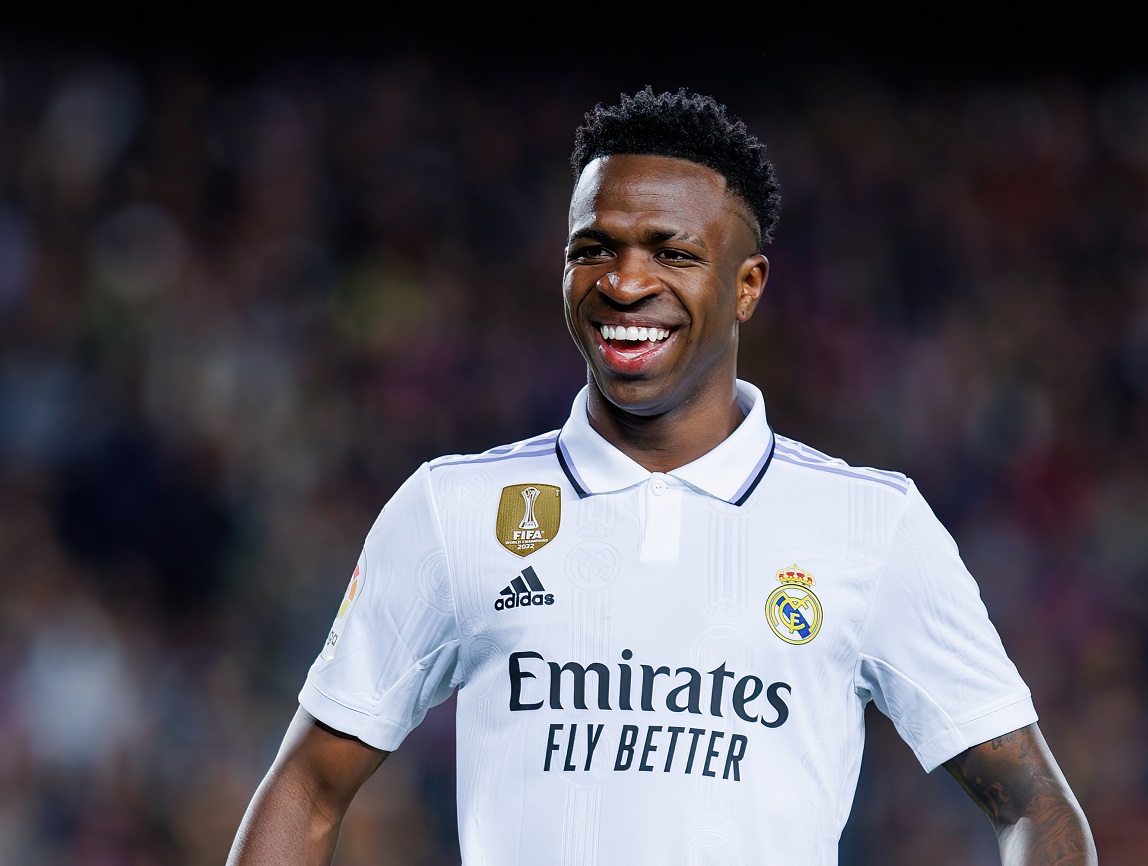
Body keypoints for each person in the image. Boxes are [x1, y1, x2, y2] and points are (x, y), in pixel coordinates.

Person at [227, 87, 1097, 865]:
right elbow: (309, 786)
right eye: (594, 247)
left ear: (748, 285)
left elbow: (1031, 802)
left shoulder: (871, 525)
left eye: (671, 253)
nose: (624, 281)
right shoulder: (453, 510)